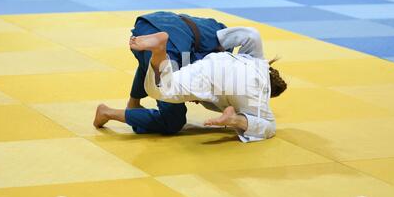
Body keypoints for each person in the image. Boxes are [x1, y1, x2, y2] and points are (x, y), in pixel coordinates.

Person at [94, 24, 287, 142]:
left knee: (168, 86)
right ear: (270, 92)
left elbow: (251, 34)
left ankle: (159, 50)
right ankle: (234, 119)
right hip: (232, 85)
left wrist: (219, 42)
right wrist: (237, 118)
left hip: (212, 64)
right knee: (269, 127)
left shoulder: (258, 60)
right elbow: (267, 126)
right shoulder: (258, 96)